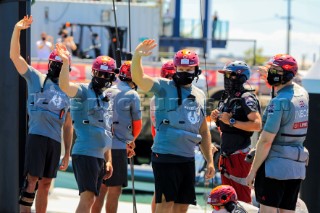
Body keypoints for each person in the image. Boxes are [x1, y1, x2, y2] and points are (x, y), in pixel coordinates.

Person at [131, 39, 215, 213]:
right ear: (175, 69)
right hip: (165, 155)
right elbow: (139, 78)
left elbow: (204, 131)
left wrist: (210, 161)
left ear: (196, 70)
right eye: (181, 69)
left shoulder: (199, 94)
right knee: (165, 204)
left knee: (182, 206)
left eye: (189, 69)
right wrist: (137, 55)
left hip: (187, 157)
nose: (184, 72)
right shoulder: (163, 87)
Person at [10, 15, 73, 213]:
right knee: (31, 181)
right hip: (37, 137)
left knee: (46, 184)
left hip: (54, 143)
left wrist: (67, 154)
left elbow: (68, 125)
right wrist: (17, 30)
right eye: (57, 64)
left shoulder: (69, 90)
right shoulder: (36, 78)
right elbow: (15, 57)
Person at [246, 54, 309, 213]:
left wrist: (252, 171)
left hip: (274, 168)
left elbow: (266, 141)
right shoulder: (302, 94)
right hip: (295, 167)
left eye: (276, 71)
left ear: (287, 74)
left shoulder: (279, 102)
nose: (272, 74)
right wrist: (271, 73)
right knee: (288, 210)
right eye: (271, 70)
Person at [56, 43, 114, 213]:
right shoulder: (82, 91)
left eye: (107, 74)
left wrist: (108, 159)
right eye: (100, 73)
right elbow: (65, 86)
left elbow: (106, 131)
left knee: (92, 199)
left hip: (99, 156)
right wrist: (65, 63)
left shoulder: (105, 97)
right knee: (88, 197)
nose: (103, 77)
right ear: (93, 73)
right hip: (85, 153)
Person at [91, 60, 142, 213]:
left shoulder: (107, 91)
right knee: (115, 190)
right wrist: (131, 141)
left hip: (101, 146)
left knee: (100, 189)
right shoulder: (132, 95)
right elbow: (137, 124)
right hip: (119, 148)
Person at [210, 61, 262, 203]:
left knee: (242, 200)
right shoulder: (227, 98)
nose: (227, 78)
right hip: (226, 157)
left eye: (230, 75)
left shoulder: (246, 98)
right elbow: (225, 128)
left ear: (241, 77)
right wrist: (218, 119)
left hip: (239, 157)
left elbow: (257, 124)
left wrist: (231, 121)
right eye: (225, 75)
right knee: (227, 200)